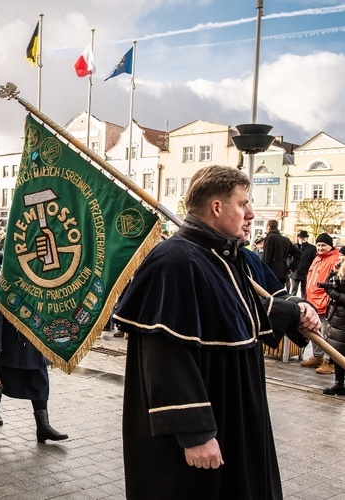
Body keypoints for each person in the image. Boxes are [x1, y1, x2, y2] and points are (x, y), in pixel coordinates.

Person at [113, 165, 320, 499]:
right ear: (217, 208)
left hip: (234, 416)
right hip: (202, 432)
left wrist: (294, 312)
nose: (251, 212)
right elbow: (166, 358)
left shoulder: (224, 255)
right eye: (243, 203)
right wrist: (195, 433)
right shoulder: (174, 261)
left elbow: (239, 314)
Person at [0, 251, 68, 442]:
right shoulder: (3, 276)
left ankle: (43, 426)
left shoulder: (41, 274)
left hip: (35, 336)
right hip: (9, 338)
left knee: (39, 378)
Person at [302, 233, 340, 374]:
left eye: (323, 245)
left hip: (325, 302)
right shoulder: (317, 258)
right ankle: (317, 356)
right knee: (314, 329)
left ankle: (328, 361)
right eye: (318, 245)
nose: (320, 248)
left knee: (327, 332)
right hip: (312, 300)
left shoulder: (335, 259)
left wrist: (327, 298)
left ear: (330, 246)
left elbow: (332, 282)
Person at [317, 246, 345, 395]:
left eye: (341, 255)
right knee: (337, 351)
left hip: (343, 320)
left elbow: (338, 293)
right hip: (337, 319)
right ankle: (339, 383)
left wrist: (333, 294)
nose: (339, 257)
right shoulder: (340, 270)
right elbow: (329, 283)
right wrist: (333, 271)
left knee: (341, 351)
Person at [262, 219, 301, 290]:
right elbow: (298, 253)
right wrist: (291, 268)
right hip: (283, 273)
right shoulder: (286, 240)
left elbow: (266, 258)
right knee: (279, 295)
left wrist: (261, 271)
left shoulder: (270, 238)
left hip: (270, 273)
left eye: (266, 227)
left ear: (269, 227)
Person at [291, 230, 316, 299]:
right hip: (295, 272)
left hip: (306, 272)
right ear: (298, 238)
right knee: (294, 289)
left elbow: (314, 260)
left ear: (307, 238)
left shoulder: (312, 248)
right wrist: (290, 267)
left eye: (304, 238)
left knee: (304, 290)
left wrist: (311, 270)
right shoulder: (293, 246)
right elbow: (288, 257)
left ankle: (304, 303)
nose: (302, 239)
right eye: (301, 238)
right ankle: (292, 303)